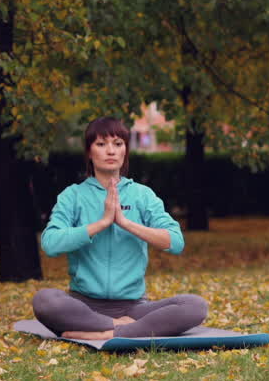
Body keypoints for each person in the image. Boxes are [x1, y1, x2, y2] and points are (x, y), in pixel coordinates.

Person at [31, 117, 208, 340]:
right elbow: (50, 244)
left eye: (118, 143)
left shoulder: (142, 195)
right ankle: (121, 328)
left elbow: (175, 242)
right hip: (83, 305)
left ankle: (103, 333)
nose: (111, 151)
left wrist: (126, 223)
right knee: (44, 300)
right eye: (101, 144)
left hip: (134, 307)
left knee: (195, 305)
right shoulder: (73, 196)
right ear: (89, 152)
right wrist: (101, 223)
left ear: (125, 150)